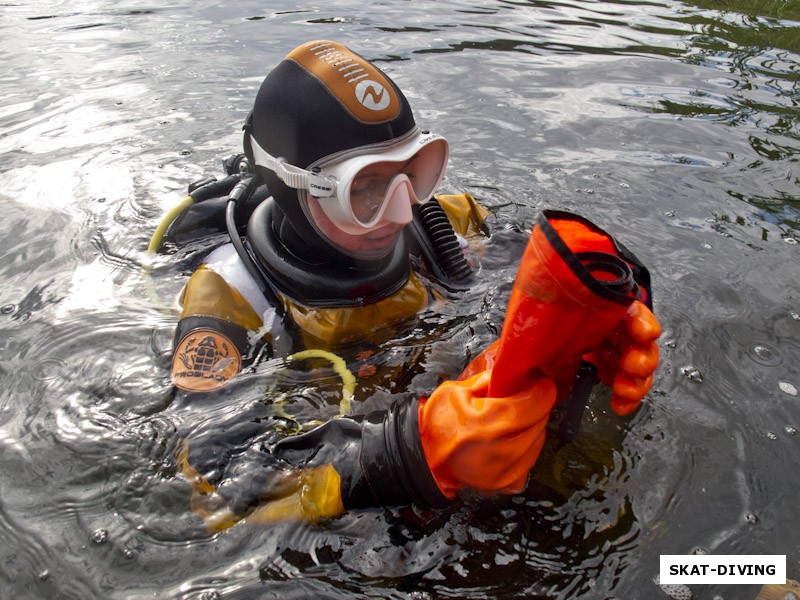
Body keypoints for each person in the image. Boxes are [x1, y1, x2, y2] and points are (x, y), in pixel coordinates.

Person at [160, 40, 661, 531]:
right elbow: (208, 487)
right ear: (295, 187)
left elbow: (552, 268)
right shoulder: (231, 296)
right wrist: (411, 457)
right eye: (364, 188)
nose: (402, 211)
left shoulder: (449, 225)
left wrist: (601, 315)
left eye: (410, 174)